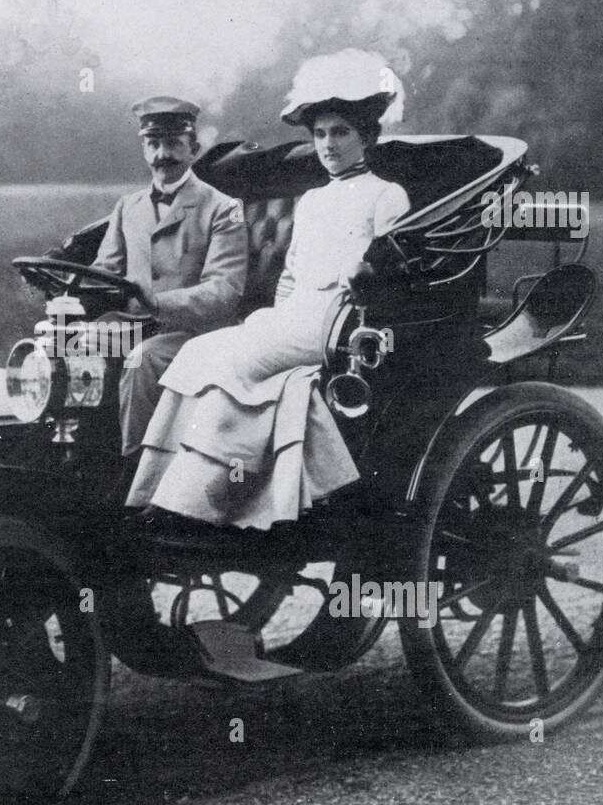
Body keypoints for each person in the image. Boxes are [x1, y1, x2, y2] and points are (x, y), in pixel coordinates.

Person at [126, 83, 411, 529]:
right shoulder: (313, 200)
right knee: (196, 353)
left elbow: (391, 267)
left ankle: (206, 500)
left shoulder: (386, 195)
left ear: (366, 139)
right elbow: (292, 274)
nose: (328, 145)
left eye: (341, 133)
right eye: (320, 135)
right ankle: (161, 488)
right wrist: (276, 316)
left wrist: (364, 273)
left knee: (234, 361)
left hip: (337, 322)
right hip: (294, 316)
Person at [94, 96, 248, 454]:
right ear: (144, 149)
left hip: (196, 335)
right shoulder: (128, 207)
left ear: (193, 149)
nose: (163, 154)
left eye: (173, 144)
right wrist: (65, 288)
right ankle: (77, 459)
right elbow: (105, 272)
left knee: (143, 360)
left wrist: (157, 302)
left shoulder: (223, 209)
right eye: (153, 144)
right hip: (133, 330)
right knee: (69, 347)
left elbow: (224, 291)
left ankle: (138, 475)